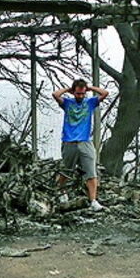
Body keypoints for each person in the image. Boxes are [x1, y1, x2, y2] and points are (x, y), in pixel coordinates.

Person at [53, 79, 109, 211]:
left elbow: (105, 93)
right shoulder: (67, 103)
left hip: (85, 141)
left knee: (91, 171)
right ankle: (61, 192)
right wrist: (68, 89)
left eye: (82, 94)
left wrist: (90, 88)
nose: (80, 96)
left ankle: (93, 200)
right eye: (78, 93)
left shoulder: (89, 102)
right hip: (69, 141)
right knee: (66, 170)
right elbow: (56, 95)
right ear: (74, 92)